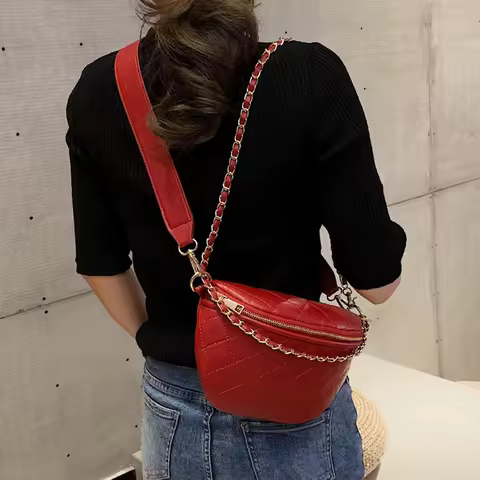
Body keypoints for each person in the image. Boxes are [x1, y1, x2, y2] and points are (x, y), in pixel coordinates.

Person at [66, 1, 406, 478]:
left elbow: (99, 264)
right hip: (293, 407)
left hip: (170, 409)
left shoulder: (99, 88)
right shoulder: (306, 73)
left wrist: (175, 342)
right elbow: (377, 283)